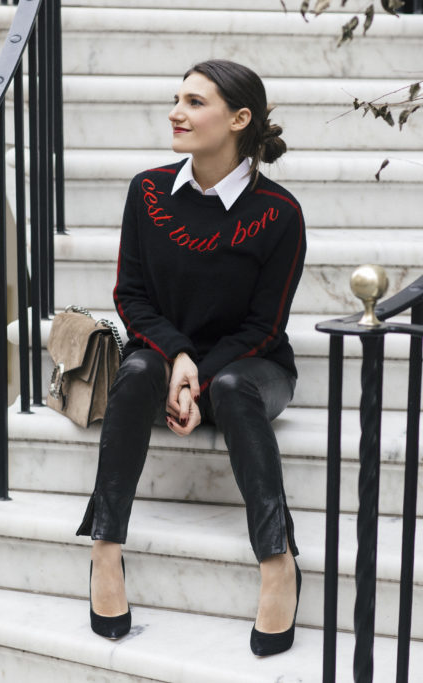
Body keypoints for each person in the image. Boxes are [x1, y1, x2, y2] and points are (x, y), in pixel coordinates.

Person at [75, 59, 307, 657]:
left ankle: (277, 560)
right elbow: (131, 295)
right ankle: (105, 550)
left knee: (231, 387)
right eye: (177, 98)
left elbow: (265, 325)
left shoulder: (278, 213)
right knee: (137, 371)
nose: (176, 112)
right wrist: (177, 355)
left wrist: (198, 375)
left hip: (254, 368)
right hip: (163, 357)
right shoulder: (147, 190)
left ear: (239, 118)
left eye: (195, 102)